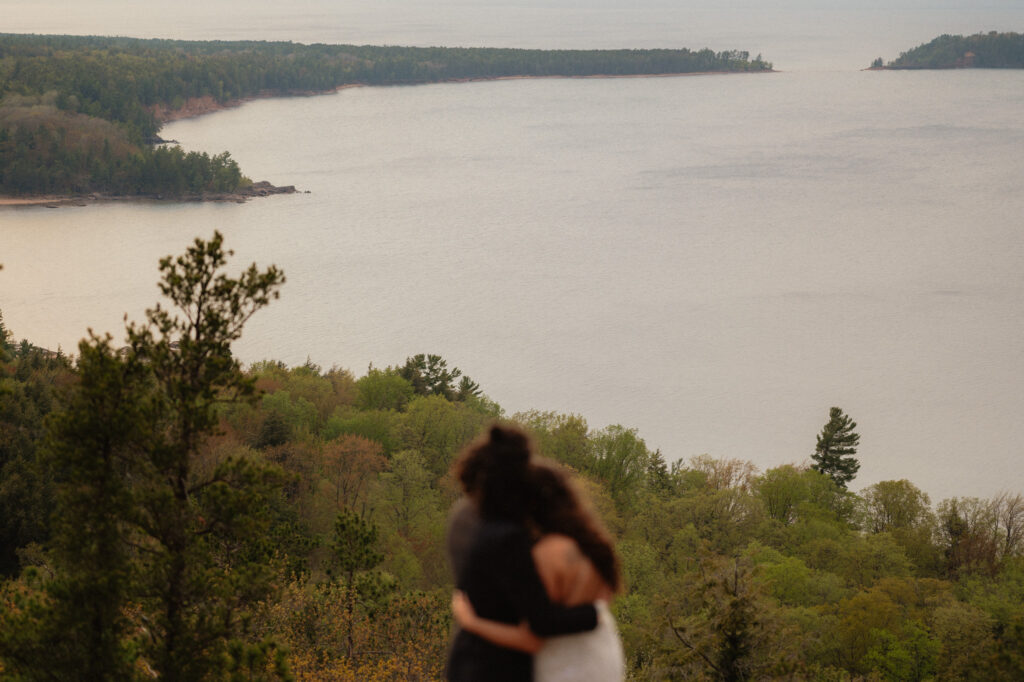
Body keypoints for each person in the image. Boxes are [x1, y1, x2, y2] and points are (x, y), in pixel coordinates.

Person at [445, 425, 599, 682]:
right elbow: (542, 621)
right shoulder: (508, 538)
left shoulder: (465, 518)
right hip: (497, 667)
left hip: (465, 658)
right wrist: (595, 614)